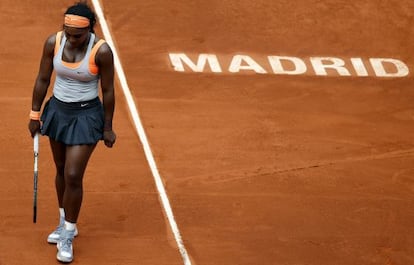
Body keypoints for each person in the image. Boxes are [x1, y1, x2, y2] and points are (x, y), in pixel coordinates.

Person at [28, 1, 116, 263]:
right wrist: (34, 114)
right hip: (57, 112)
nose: (71, 39)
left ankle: (67, 234)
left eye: (77, 35)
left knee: (73, 173)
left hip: (87, 115)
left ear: (89, 31)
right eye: (67, 33)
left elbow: (109, 90)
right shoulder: (52, 43)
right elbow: (43, 79)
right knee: (60, 169)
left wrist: (108, 126)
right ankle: (66, 221)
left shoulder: (101, 51)